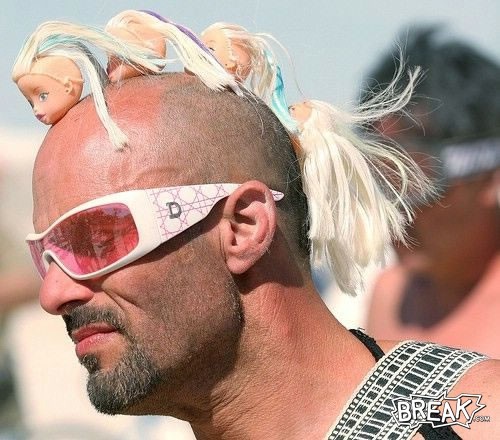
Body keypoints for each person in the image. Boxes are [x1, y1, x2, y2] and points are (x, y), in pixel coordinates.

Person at [18, 22, 500, 440]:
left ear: (244, 226)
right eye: (47, 254)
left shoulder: (477, 418)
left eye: (98, 237)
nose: (53, 293)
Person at [363, 27, 500, 358]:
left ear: (489, 175)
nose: (395, 207)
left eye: (417, 177)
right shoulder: (389, 295)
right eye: (378, 175)